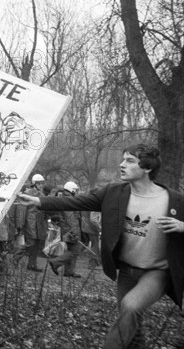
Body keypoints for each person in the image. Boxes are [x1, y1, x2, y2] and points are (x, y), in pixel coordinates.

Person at [18, 144, 184, 348]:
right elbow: (76, 202)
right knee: (132, 323)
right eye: (123, 159)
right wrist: (37, 200)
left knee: (130, 307)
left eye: (130, 161)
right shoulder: (113, 193)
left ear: (148, 167)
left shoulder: (174, 200)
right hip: (126, 271)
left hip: (157, 272)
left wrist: (182, 226)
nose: (122, 165)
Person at [13, 173, 48, 272]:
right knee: (30, 243)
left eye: (42, 183)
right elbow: (22, 209)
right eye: (39, 183)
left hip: (40, 223)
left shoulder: (42, 195)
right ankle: (15, 258)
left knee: (37, 244)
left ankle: (32, 264)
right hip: (30, 222)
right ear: (34, 183)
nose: (41, 185)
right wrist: (20, 223)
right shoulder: (28, 193)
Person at [48, 181, 83, 278]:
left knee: (72, 250)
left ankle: (69, 271)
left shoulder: (65, 199)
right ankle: (55, 262)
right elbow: (71, 219)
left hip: (67, 230)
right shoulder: (69, 201)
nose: (76, 192)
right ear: (71, 190)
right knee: (75, 251)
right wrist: (74, 233)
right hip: (70, 231)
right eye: (75, 190)